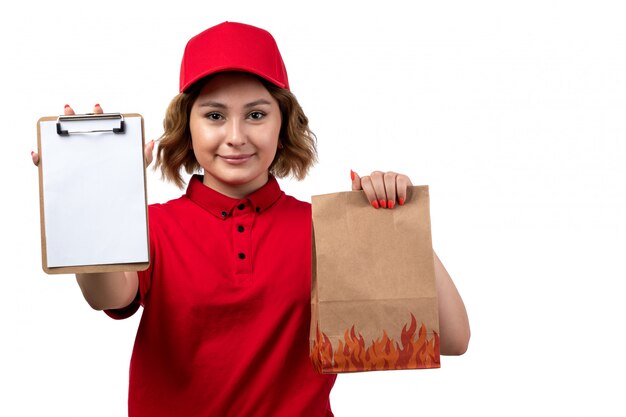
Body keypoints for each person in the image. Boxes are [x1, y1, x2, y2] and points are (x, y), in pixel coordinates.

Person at [32, 21, 470, 417]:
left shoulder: (326, 229)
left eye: (257, 115)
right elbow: (105, 295)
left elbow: (452, 339)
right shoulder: (151, 227)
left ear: (284, 124)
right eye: (215, 115)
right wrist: (94, 202)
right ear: (188, 126)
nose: (236, 136)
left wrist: (393, 223)